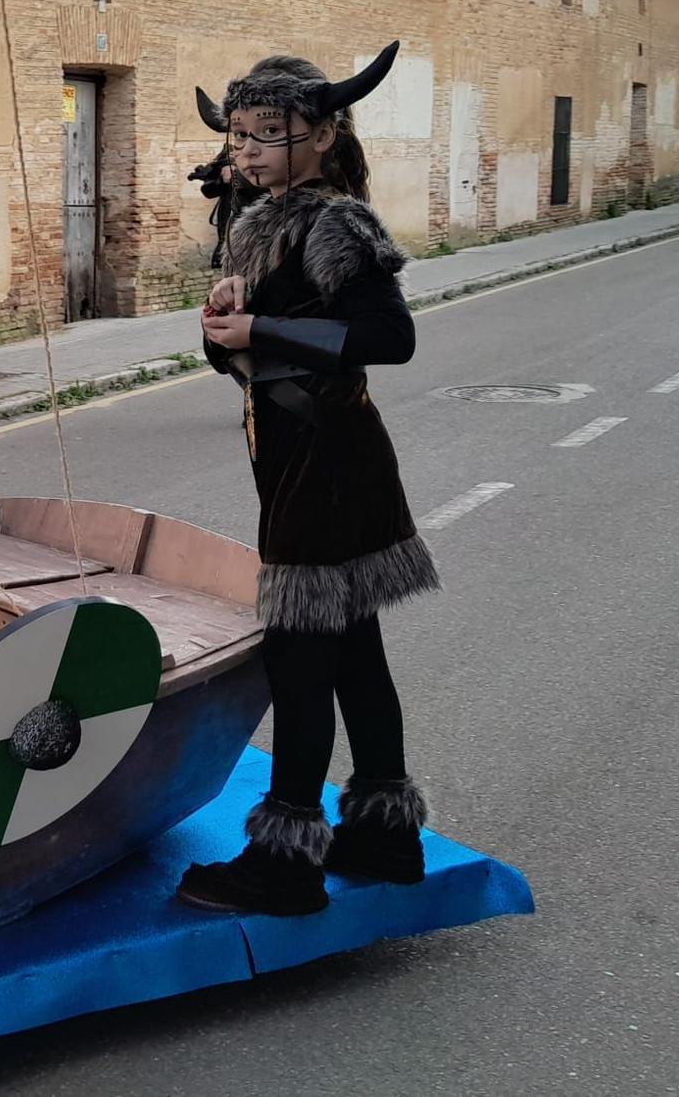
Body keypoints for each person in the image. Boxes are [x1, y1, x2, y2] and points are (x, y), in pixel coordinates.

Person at [176, 44, 440, 917]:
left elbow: (389, 338)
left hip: (327, 463)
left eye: (271, 135)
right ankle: (385, 834)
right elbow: (263, 349)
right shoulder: (265, 218)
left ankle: (287, 864)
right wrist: (226, 332)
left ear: (324, 135)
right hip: (301, 456)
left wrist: (259, 328)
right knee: (353, 649)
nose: (247, 152)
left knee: (300, 657)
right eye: (241, 135)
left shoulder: (334, 222)